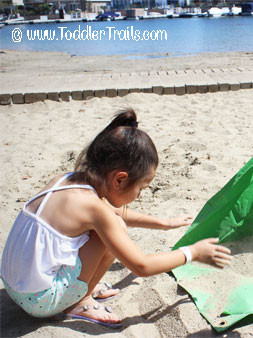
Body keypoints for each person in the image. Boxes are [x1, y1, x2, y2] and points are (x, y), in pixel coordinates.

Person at [0, 109, 232, 328]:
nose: (139, 194)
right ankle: (79, 302)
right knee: (112, 231)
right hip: (39, 301)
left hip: (13, 284)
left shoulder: (67, 181)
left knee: (112, 224)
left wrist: (163, 224)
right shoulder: (94, 209)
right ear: (119, 180)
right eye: (141, 187)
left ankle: (79, 288)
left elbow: (113, 212)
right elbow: (141, 265)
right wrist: (193, 253)